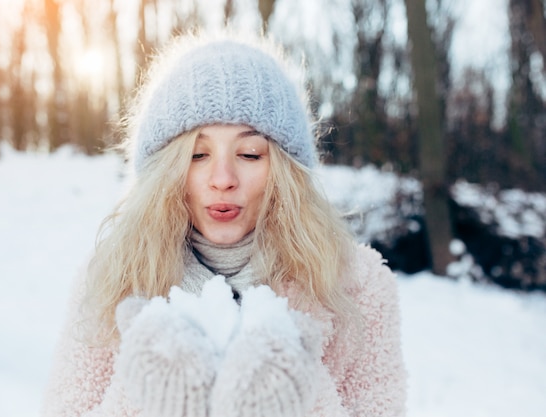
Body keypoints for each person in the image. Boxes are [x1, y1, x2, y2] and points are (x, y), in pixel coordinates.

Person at [41, 31, 406, 417]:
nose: (223, 178)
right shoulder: (112, 279)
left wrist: (294, 390)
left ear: (285, 171)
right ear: (166, 171)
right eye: (197, 154)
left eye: (250, 154)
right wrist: (150, 389)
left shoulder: (356, 283)